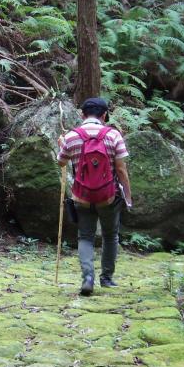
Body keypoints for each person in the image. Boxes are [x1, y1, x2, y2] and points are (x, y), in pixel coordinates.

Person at [57, 97, 132, 296]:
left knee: (85, 236)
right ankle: (106, 278)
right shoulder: (114, 135)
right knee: (110, 236)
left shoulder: (72, 136)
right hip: (108, 195)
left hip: (81, 196)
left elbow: (61, 163)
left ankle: (87, 277)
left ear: (82, 115)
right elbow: (121, 169)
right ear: (104, 115)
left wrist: (61, 144)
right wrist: (127, 194)